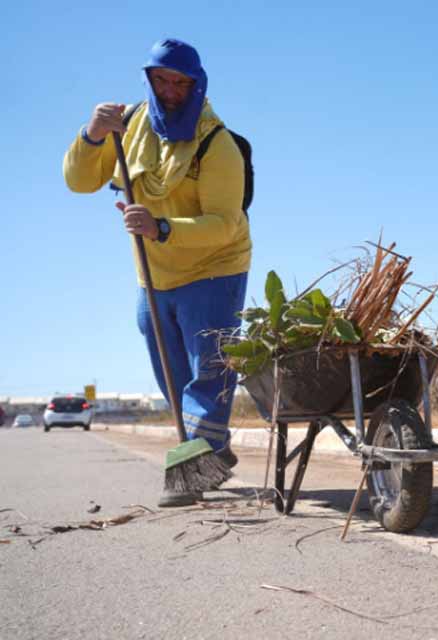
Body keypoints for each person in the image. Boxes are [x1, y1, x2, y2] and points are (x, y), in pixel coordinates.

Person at [63, 38, 251, 507]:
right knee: (172, 372)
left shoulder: (217, 143)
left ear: (196, 83)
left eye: (180, 82)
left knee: (209, 371)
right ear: (149, 79)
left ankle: (194, 471)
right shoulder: (130, 127)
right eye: (161, 80)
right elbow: (79, 182)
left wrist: (161, 226)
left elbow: (226, 225)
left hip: (214, 268)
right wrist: (91, 136)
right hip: (155, 276)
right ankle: (210, 450)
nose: (170, 90)